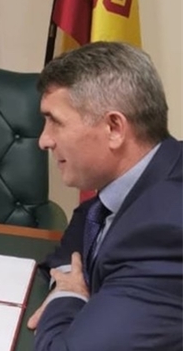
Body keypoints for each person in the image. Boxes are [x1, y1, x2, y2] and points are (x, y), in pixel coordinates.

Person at [27, 41, 182, 350]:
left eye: (55, 121)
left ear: (114, 128)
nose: (44, 140)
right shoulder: (140, 176)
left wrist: (68, 294)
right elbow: (75, 245)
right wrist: (71, 277)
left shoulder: (166, 233)